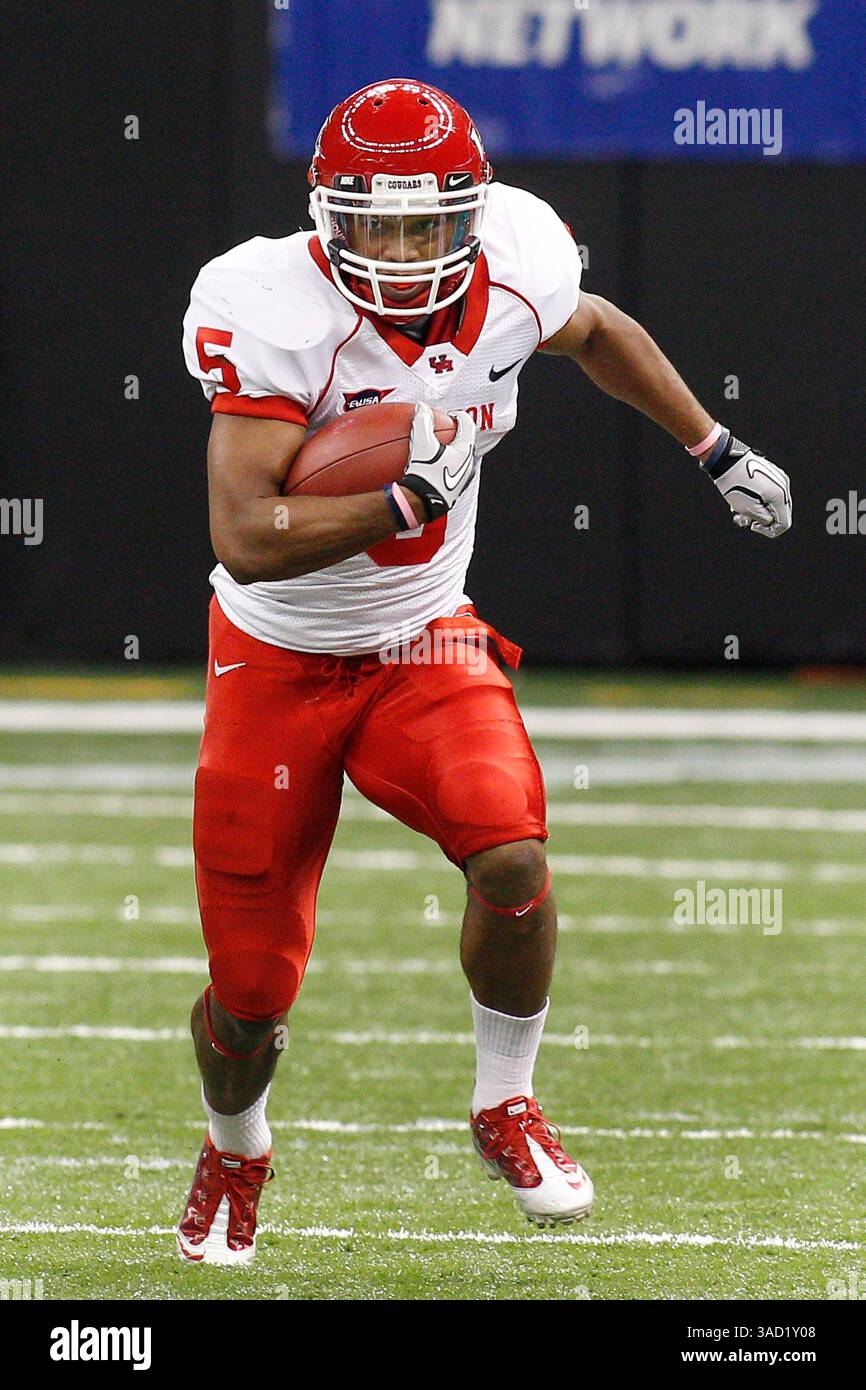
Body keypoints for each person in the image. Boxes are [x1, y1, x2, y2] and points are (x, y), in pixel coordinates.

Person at [177, 78, 792, 1264]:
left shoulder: (516, 262)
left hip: (425, 634)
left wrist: (712, 449)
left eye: (423, 222)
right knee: (249, 993)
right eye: (369, 222)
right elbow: (245, 532)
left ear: (475, 210)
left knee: (510, 849)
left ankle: (502, 1099)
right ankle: (235, 1142)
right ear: (322, 217)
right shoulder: (265, 305)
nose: (399, 251)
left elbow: (599, 329)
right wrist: (402, 494)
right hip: (275, 654)